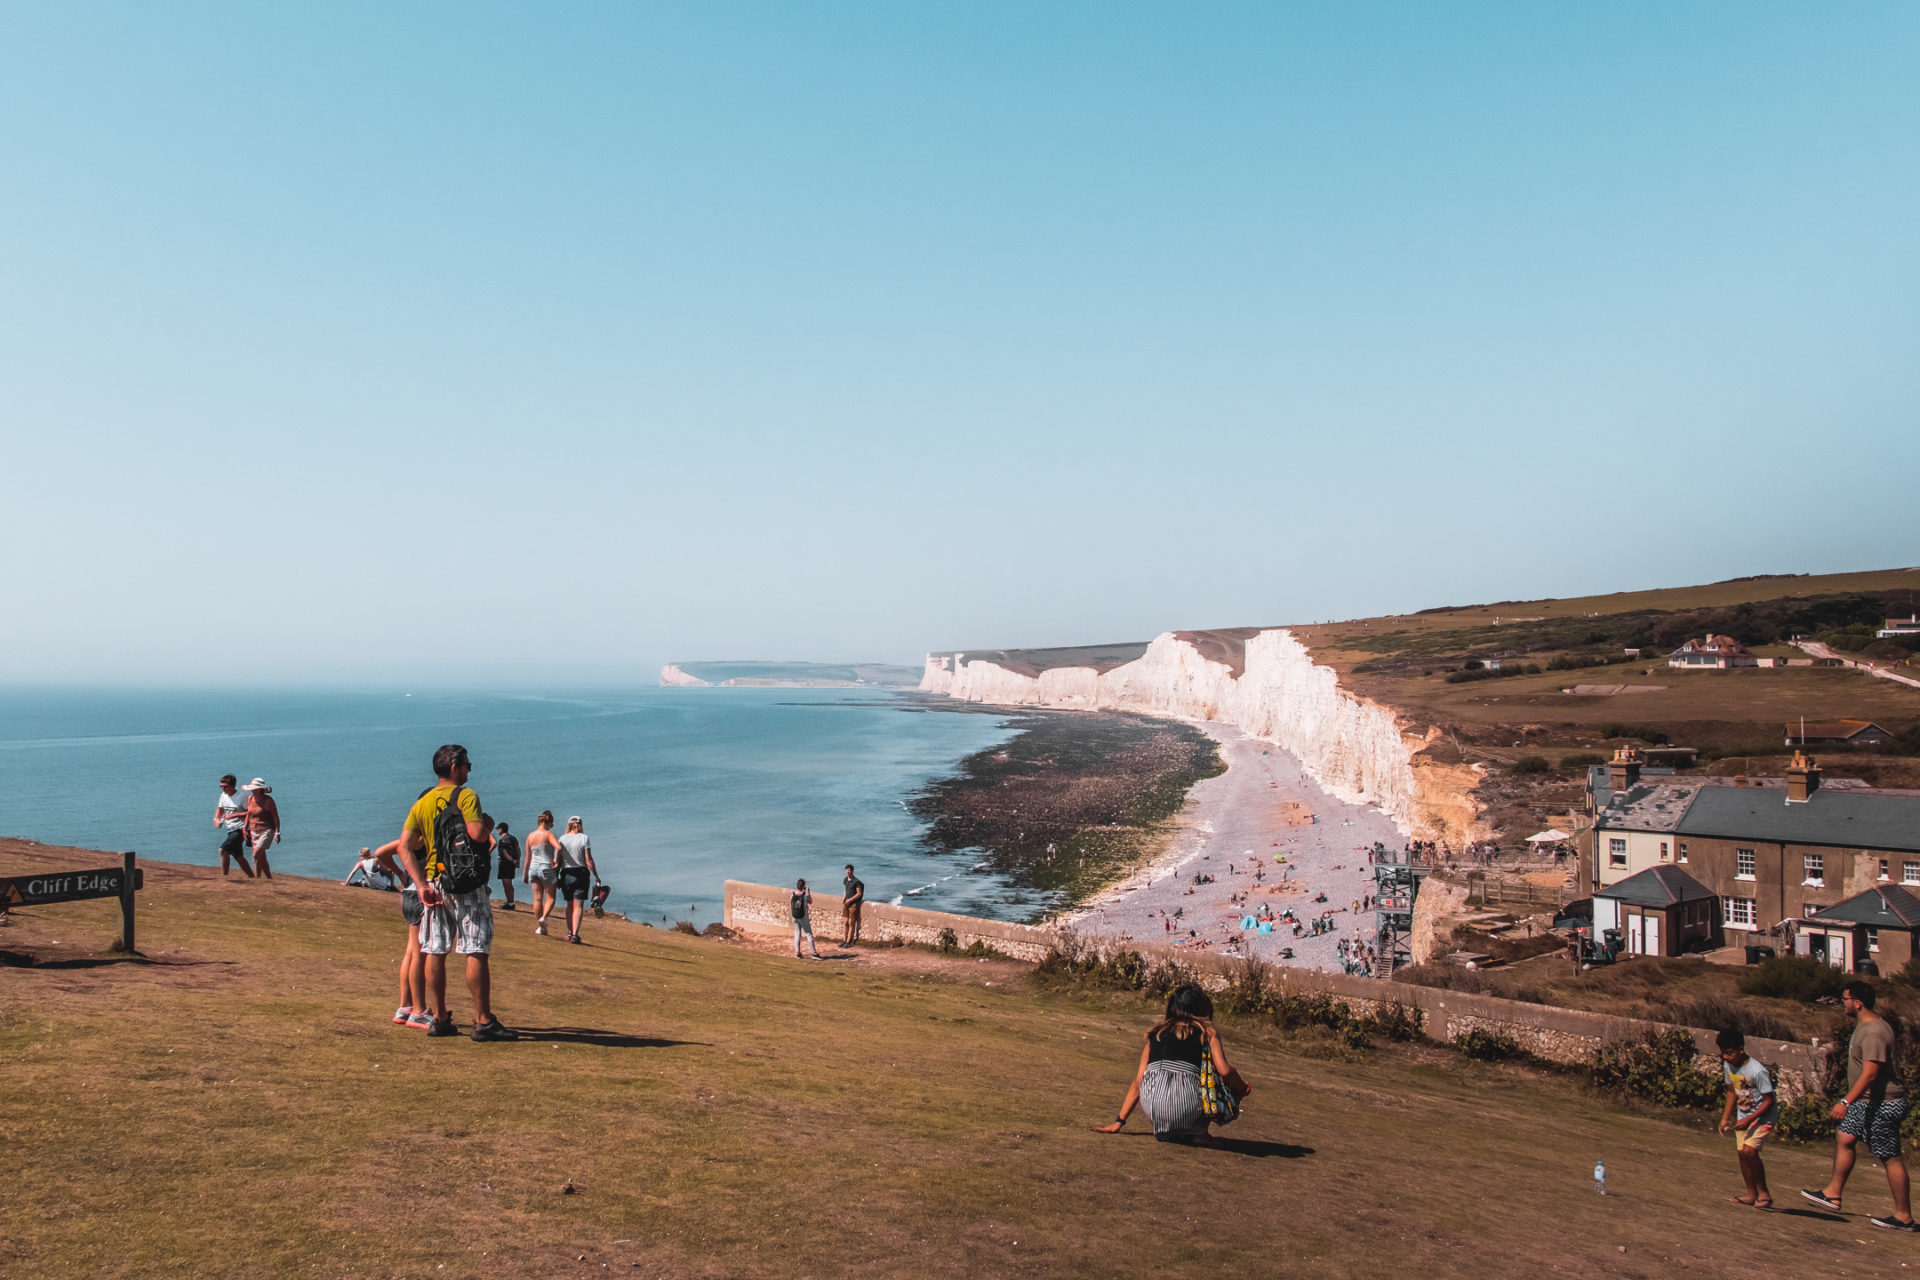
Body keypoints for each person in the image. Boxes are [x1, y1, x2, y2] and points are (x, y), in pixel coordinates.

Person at [393, 744, 517, 1042]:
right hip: (465, 882)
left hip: (435, 882)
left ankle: (439, 1017)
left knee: (436, 948)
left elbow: (403, 847)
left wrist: (421, 884)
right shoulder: (466, 796)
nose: (469, 770)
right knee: (476, 948)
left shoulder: (421, 803)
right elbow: (476, 835)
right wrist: (487, 826)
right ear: (454, 767)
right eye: (466, 765)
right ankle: (484, 1020)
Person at [1802, 981, 1913, 1229]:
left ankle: (1904, 1217)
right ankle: (1833, 1193)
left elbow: (1871, 1073)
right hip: (1866, 1102)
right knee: (1845, 1137)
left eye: (1845, 999)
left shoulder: (1874, 1032)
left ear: (1858, 1002)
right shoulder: (1865, 1027)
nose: (1843, 1004)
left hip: (1884, 1103)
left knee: (1890, 1156)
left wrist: (1845, 1101)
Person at [1094, 984, 1249, 1145]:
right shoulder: (1207, 1032)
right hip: (1186, 1104)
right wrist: (1242, 1089)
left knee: (1190, 1078)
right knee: (1211, 1073)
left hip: (1153, 1107)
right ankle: (1199, 1132)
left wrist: (1119, 1121)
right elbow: (1225, 1071)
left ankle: (1173, 1128)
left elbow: (1138, 1082)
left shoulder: (1156, 1033)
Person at [1717, 1028, 1777, 1210]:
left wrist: (1750, 1118)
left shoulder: (1757, 1071)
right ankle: (1752, 1194)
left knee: (1750, 1151)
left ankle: (1764, 1193)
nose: (1726, 1057)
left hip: (1763, 1116)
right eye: (1723, 1053)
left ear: (1741, 1049)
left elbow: (1769, 1100)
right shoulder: (1729, 1066)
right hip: (1744, 1115)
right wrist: (1725, 1118)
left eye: (1730, 1053)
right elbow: (1731, 1092)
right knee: (1742, 1154)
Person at [555, 815, 599, 945]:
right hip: (581, 873)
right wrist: (596, 875)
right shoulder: (584, 838)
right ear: (580, 824)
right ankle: (575, 934)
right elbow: (588, 860)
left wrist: (556, 876)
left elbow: (558, 860)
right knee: (578, 905)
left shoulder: (562, 839)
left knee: (569, 905)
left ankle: (569, 932)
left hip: (566, 873)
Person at [523, 810, 563, 936]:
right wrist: (556, 859)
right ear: (549, 822)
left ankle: (541, 926)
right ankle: (544, 918)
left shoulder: (530, 836)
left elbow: (527, 857)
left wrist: (525, 874)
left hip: (533, 868)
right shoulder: (548, 834)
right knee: (550, 897)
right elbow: (559, 847)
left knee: (537, 898)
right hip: (546, 867)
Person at [213, 775, 254, 878]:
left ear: (233, 786)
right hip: (230, 829)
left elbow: (251, 813)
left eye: (225, 786)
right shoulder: (223, 795)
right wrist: (216, 820)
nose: (223, 789)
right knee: (238, 856)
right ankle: (252, 877)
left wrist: (233, 815)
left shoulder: (242, 796)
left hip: (240, 829)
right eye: (221, 786)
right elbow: (220, 809)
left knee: (223, 850)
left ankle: (225, 878)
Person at [242, 778, 280, 879]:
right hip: (254, 830)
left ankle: (257, 879)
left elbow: (275, 817)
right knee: (262, 857)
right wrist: (245, 828)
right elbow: (248, 814)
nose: (252, 790)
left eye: (255, 788)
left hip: (267, 830)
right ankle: (269, 878)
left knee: (256, 854)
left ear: (260, 789)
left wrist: (277, 832)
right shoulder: (250, 799)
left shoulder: (268, 801)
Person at [493, 821, 522, 911]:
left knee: (506, 884)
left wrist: (512, 860)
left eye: (498, 829)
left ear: (501, 829)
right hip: (512, 864)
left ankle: (510, 903)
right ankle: (510, 902)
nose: (497, 831)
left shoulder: (502, 840)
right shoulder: (513, 838)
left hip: (505, 864)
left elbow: (504, 852)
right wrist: (517, 860)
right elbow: (518, 850)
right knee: (509, 883)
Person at [790, 878, 822, 959]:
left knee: (797, 934)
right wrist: (807, 892)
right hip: (803, 917)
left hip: (795, 916)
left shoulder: (793, 894)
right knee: (809, 934)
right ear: (803, 886)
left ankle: (797, 952)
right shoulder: (805, 895)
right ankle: (814, 953)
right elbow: (810, 901)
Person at [841, 863, 865, 948]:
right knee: (845, 922)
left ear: (852, 871)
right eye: (846, 870)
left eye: (849, 870)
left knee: (851, 923)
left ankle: (849, 941)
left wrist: (850, 900)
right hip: (846, 903)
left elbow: (859, 893)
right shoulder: (845, 880)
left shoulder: (856, 881)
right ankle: (844, 940)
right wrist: (844, 898)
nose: (847, 872)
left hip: (853, 904)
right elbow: (846, 890)